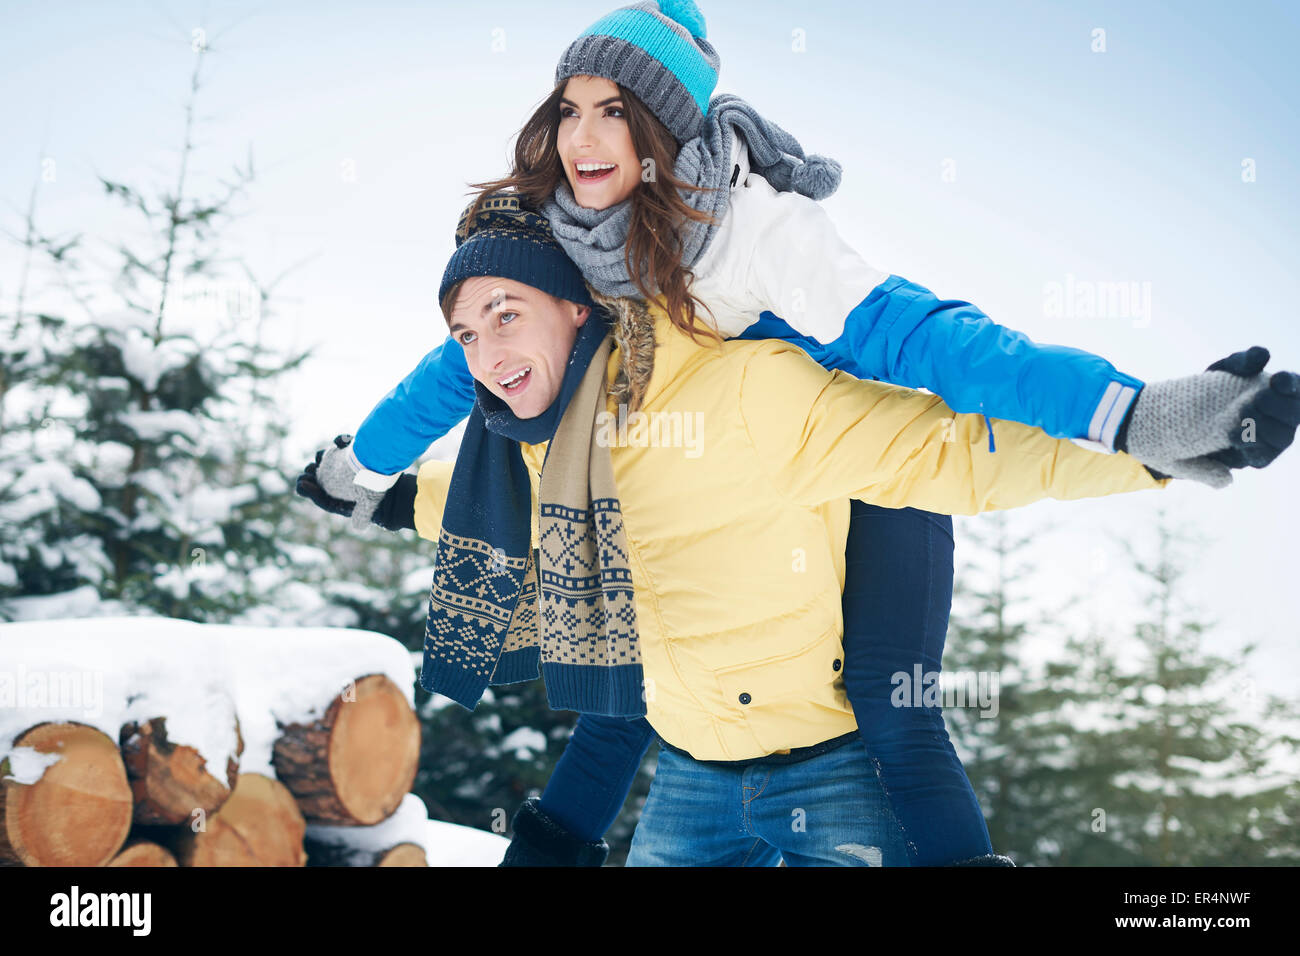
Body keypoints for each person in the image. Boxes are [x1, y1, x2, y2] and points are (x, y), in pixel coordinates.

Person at [320, 0, 1296, 866]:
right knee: (631, 677)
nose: (583, 135)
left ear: (671, 122)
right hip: (703, 638)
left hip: (843, 441)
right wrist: (369, 468)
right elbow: (474, 365)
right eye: (569, 107)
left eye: (615, 107)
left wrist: (1130, 419)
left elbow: (925, 349)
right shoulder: (555, 263)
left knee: (893, 702)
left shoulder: (757, 230)